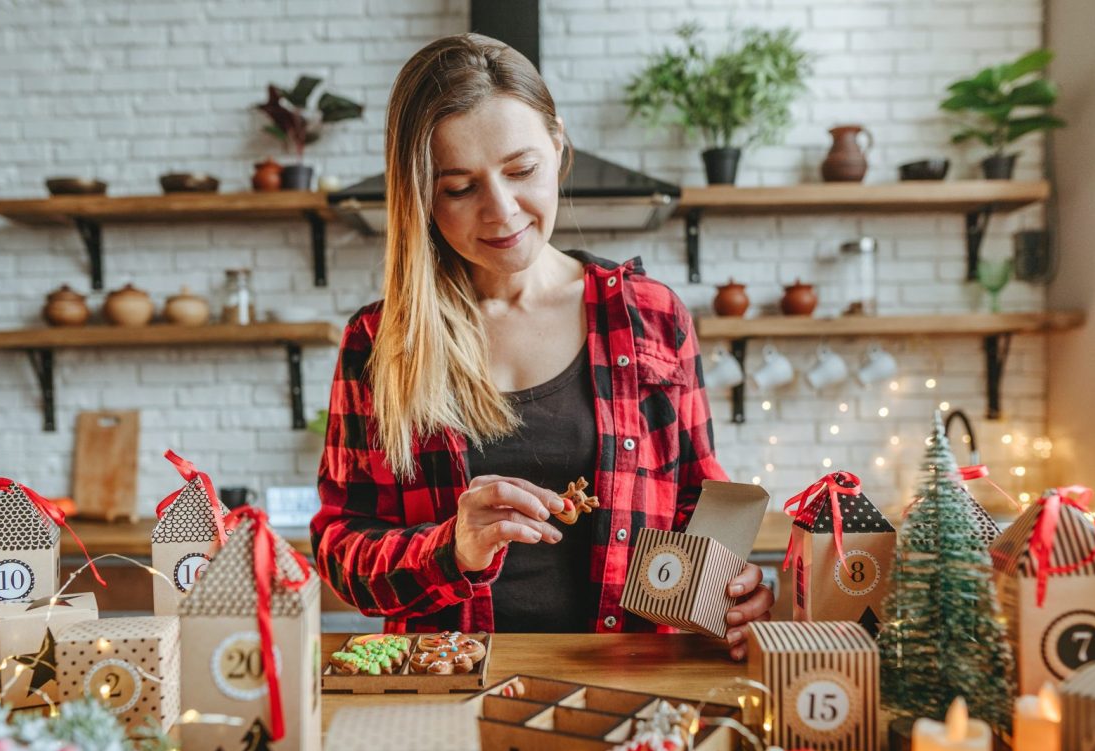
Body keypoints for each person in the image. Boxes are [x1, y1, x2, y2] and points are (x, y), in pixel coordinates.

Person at [310, 33, 773, 659]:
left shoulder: (653, 317)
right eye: (458, 187)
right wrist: (452, 548)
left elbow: (701, 500)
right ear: (420, 195)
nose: (501, 211)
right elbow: (341, 549)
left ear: (557, 147)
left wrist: (733, 585)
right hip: (445, 690)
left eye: (521, 170)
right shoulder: (381, 342)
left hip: (633, 681)